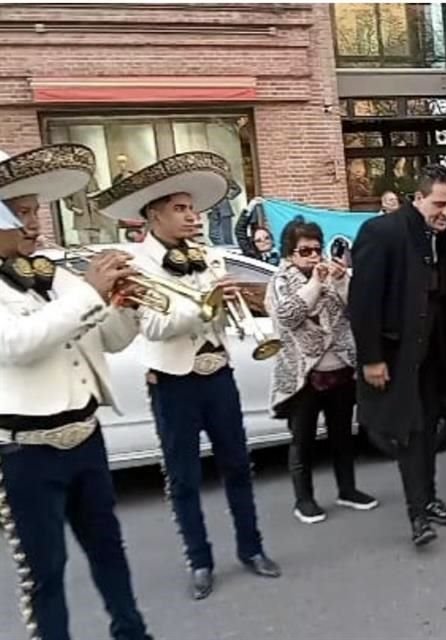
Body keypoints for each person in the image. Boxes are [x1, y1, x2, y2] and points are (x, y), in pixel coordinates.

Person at [93, 151, 281, 599]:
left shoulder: (209, 256)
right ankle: (199, 560)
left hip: (219, 374)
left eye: (191, 208)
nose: (191, 215)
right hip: (173, 380)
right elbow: (154, 326)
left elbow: (221, 320)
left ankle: (251, 548)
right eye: (179, 209)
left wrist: (230, 306)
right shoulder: (135, 264)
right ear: (153, 215)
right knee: (183, 477)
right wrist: (204, 305)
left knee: (238, 465)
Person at [0, 144, 153, 639]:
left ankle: (132, 632)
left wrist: (124, 303)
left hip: (85, 437)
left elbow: (110, 339)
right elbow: (19, 344)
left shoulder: (57, 275)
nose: (31, 223)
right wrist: (90, 292)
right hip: (25, 453)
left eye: (32, 211)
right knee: (44, 575)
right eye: (17, 213)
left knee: (110, 551)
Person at [349, 164, 446, 547]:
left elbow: (441, 286)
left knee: (429, 431)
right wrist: (371, 358)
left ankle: (429, 499)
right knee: (409, 433)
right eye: (439, 203)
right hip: (398, 355)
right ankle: (417, 515)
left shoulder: (442, 235)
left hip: (437, 351)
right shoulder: (382, 232)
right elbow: (363, 303)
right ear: (418, 198)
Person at [266, 217, 378, 524]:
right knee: (302, 440)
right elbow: (288, 316)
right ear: (290, 254)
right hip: (303, 373)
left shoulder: (331, 276)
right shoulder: (280, 281)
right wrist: (315, 284)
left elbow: (355, 309)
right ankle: (304, 499)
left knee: (342, 435)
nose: (313, 256)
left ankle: (348, 489)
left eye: (316, 249)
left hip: (339, 369)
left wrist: (341, 281)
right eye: (304, 251)